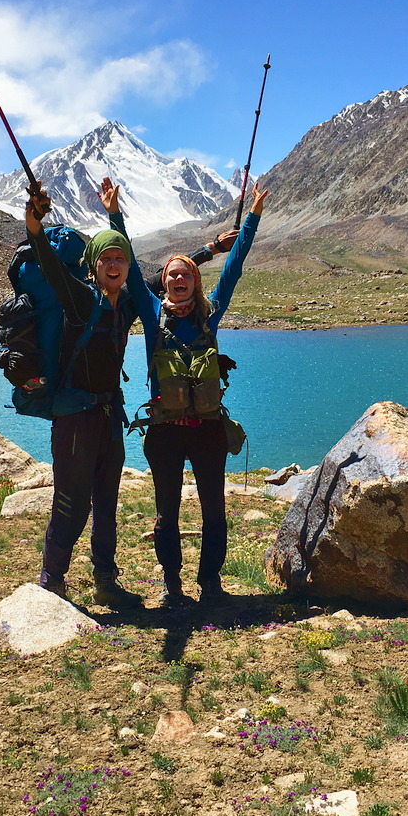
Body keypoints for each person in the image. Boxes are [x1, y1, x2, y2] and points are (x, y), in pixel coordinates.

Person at [122, 182, 270, 607]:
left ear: (196, 281)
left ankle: (211, 584)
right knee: (166, 513)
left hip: (207, 430)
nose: (179, 279)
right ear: (164, 283)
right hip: (164, 432)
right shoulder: (152, 316)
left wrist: (253, 219)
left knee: (214, 512)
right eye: (172, 275)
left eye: (186, 274)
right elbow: (131, 270)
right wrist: (116, 217)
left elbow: (234, 268)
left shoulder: (210, 314)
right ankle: (172, 584)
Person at [24, 182, 142, 608]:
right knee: (71, 503)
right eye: (106, 258)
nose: (114, 264)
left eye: (120, 258)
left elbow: (167, 280)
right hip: (74, 419)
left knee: (107, 504)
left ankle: (105, 580)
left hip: (110, 419)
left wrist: (212, 248)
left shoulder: (127, 305)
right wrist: (33, 220)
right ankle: (51, 578)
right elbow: (50, 265)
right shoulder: (78, 299)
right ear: (93, 266)